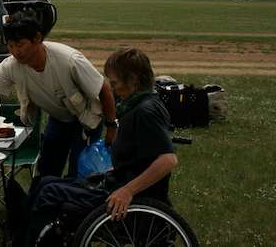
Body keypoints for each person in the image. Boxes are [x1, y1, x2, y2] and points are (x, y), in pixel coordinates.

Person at [0, 11, 117, 178]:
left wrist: (111, 127)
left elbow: (104, 89)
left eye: (20, 44)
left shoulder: (68, 60)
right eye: (10, 46)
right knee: (47, 170)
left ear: (37, 38)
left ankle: (75, 211)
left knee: (79, 171)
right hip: (59, 119)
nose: (15, 51)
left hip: (86, 120)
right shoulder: (11, 66)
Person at [19, 48, 178, 245]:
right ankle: (22, 233)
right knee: (45, 182)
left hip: (126, 195)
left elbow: (168, 160)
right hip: (115, 182)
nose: (111, 89)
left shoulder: (146, 112)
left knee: (49, 193)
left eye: (115, 83)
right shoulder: (138, 105)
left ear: (133, 81)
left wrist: (128, 191)